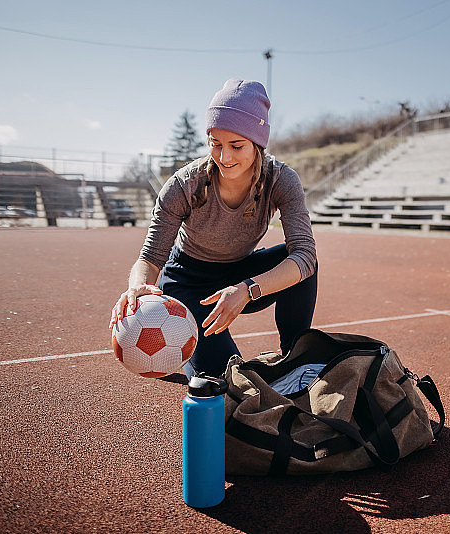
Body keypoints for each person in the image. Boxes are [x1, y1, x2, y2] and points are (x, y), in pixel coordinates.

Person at [110, 79, 317, 378]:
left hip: (240, 275)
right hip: (187, 282)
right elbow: (152, 256)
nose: (225, 157)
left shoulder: (281, 180)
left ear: (257, 143)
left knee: (298, 261)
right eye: (215, 144)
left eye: (236, 146)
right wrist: (137, 287)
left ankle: (296, 358)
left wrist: (248, 289)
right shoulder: (184, 184)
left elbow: (305, 255)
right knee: (229, 381)